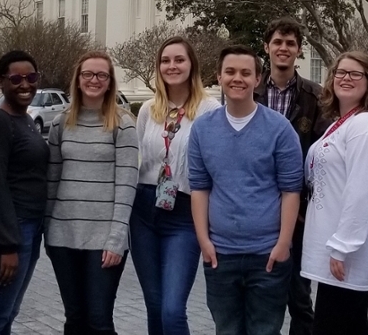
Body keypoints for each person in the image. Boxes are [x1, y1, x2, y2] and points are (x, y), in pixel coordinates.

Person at [189, 45, 303, 335]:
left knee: (265, 331)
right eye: (230, 71)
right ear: (219, 76)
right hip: (220, 256)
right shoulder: (202, 129)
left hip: (266, 256)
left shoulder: (280, 129)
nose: (237, 78)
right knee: (226, 330)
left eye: (245, 72)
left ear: (257, 79)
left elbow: (291, 190)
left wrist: (283, 245)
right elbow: (200, 188)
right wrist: (204, 240)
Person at [130, 36, 220, 335]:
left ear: (191, 64)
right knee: (154, 306)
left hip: (184, 213)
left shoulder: (209, 110)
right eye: (165, 60)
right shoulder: (147, 110)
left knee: (171, 309)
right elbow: (145, 160)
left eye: (179, 60)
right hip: (144, 210)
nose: (172, 66)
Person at [301, 52, 368, 335]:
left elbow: (361, 191)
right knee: (350, 325)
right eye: (341, 72)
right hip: (335, 248)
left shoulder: (366, 127)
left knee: (332, 325)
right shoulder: (342, 123)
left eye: (356, 74)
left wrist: (343, 246)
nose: (346, 78)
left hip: (348, 253)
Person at [45, 51, 139, 335]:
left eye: (101, 75)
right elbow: (52, 179)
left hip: (103, 240)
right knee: (74, 319)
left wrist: (116, 239)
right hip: (63, 236)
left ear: (110, 82)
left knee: (99, 321)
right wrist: (47, 229)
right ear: (78, 79)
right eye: (87, 74)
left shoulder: (123, 124)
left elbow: (126, 184)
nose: (94, 80)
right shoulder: (61, 123)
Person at [252, 17, 327, 335]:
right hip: (256, 209)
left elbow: (323, 153)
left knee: (299, 298)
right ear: (267, 47)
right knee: (260, 297)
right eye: (278, 42)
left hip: (299, 213)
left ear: (298, 50)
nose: (284, 48)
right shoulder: (249, 92)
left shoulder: (316, 96)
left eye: (291, 43)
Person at [0, 50, 50, 334]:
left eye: (31, 77)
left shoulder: (25, 119)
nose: (25, 84)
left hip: (31, 227)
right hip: (12, 232)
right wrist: (7, 245)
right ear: (1, 82)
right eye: (16, 78)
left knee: (7, 312)